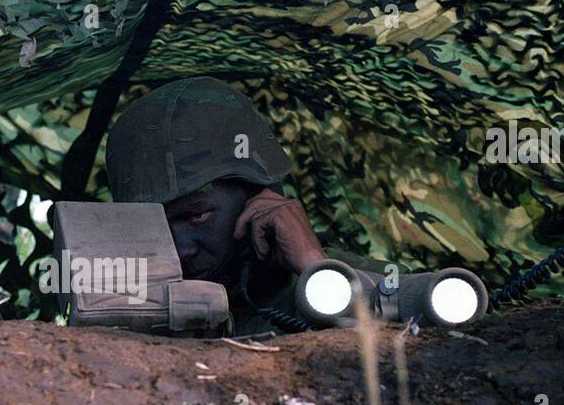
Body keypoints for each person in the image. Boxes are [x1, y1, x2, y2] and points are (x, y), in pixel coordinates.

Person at [105, 76, 387, 336]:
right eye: (156, 226)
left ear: (258, 197)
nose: (181, 250)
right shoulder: (128, 316)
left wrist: (316, 266)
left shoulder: (370, 284)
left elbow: (409, 346)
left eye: (197, 215)